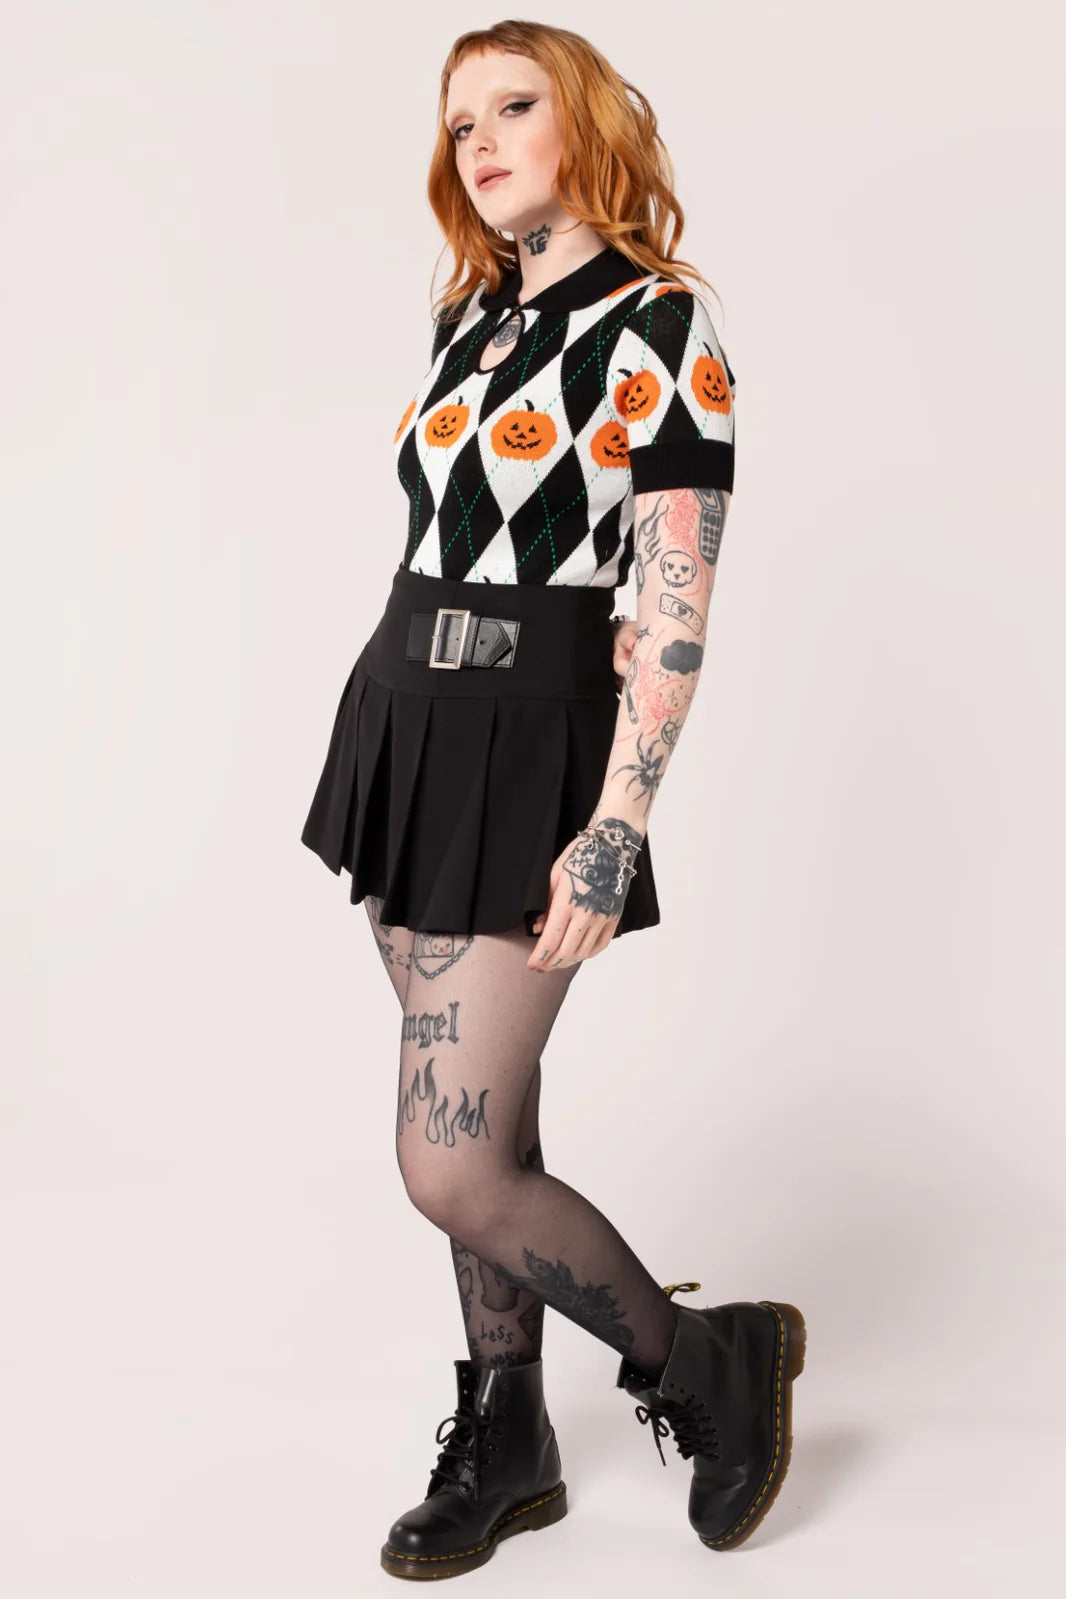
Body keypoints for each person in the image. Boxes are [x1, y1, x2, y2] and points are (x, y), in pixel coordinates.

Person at [299, 19, 805, 1580]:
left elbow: (672, 610)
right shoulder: (471, 313)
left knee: (448, 1162)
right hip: (404, 718)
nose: (479, 142)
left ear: (584, 120)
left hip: (530, 745)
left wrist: (613, 825)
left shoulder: (662, 322)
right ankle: (506, 1432)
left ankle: (702, 1360)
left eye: (512, 107)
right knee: (492, 1131)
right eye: (459, 123)